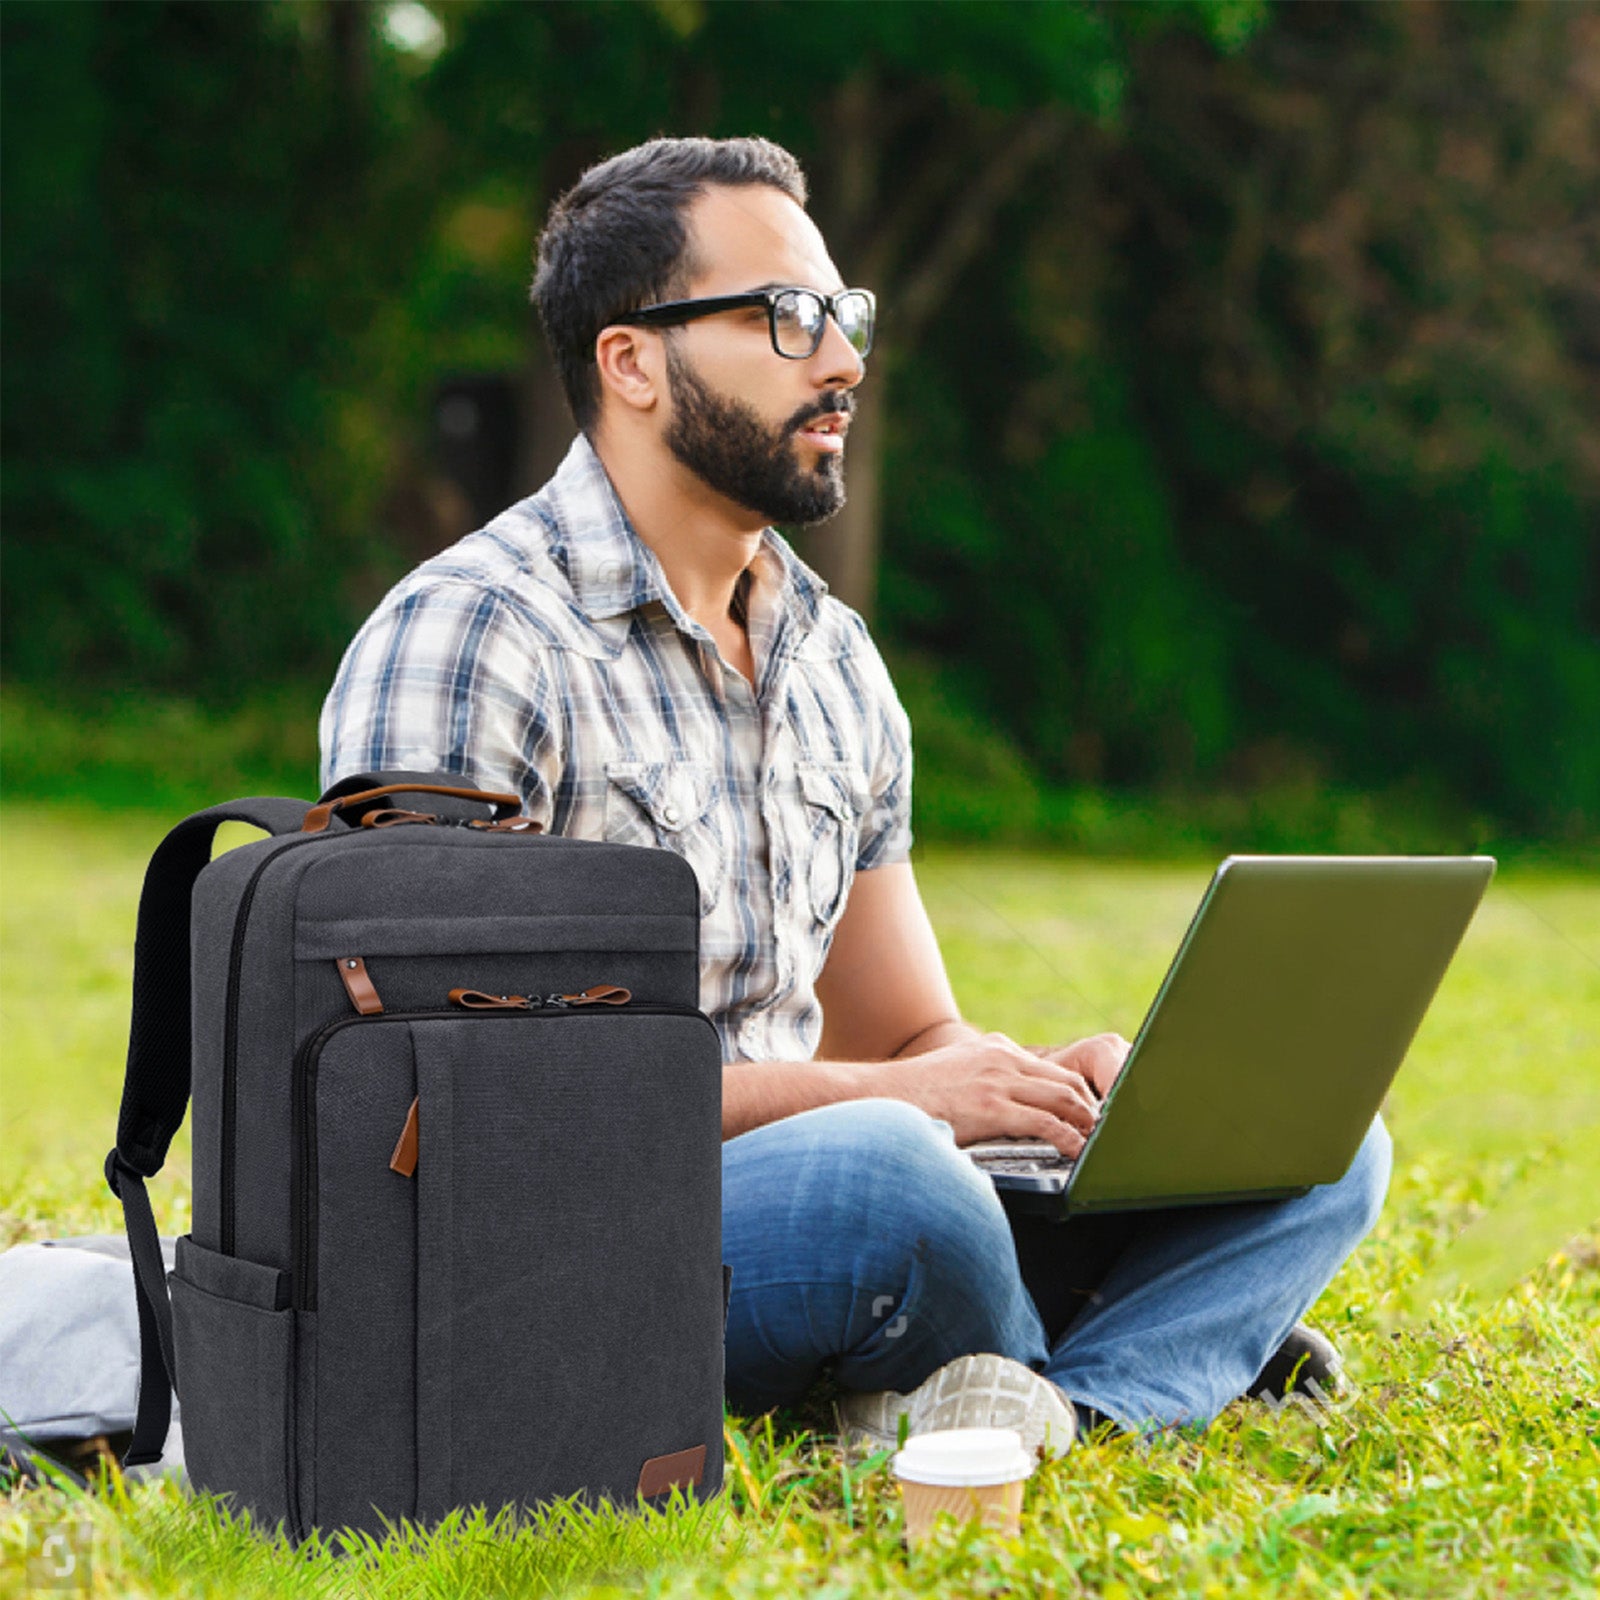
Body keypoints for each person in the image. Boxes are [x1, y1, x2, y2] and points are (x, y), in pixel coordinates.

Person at [320, 136, 1391, 1456]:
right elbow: (452, 1094)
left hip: (844, 1180)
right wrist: (885, 1112)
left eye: (845, 316)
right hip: (548, 1245)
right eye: (785, 317)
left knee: (1320, 1136)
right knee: (889, 1177)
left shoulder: (833, 660)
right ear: (632, 361)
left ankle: (1060, 1409)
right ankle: (1155, 1351)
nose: (840, 360)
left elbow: (907, 1034)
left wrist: (1056, 1090)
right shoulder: (471, 636)